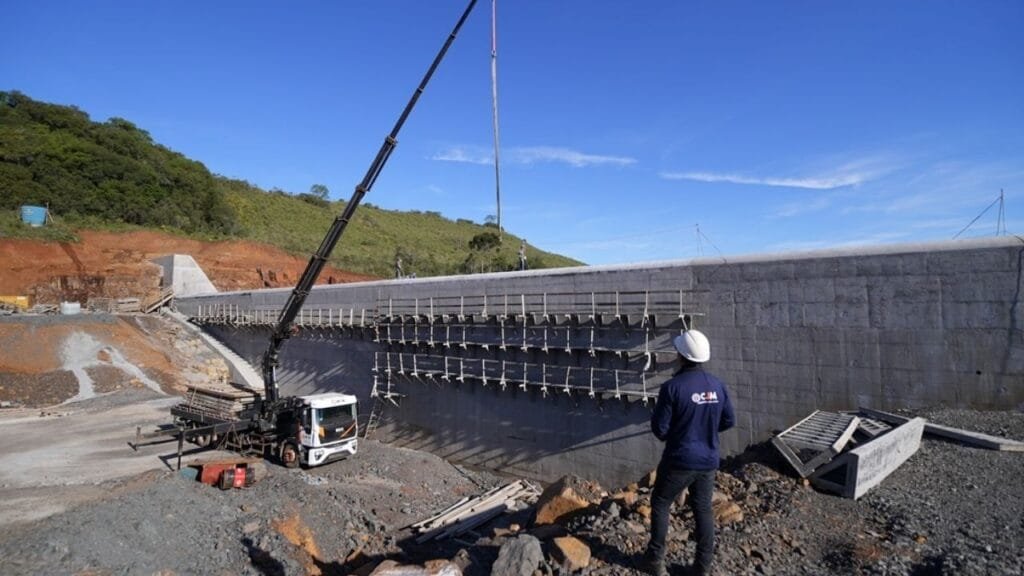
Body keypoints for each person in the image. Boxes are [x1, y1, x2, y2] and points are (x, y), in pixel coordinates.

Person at [640, 329, 735, 576]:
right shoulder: (718, 385)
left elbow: (660, 430)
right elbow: (728, 421)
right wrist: (704, 431)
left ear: (681, 355)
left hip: (680, 459)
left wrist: (682, 434)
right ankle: (702, 567)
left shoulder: (672, 388)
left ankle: (656, 561)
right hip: (709, 460)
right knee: (702, 508)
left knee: (661, 503)